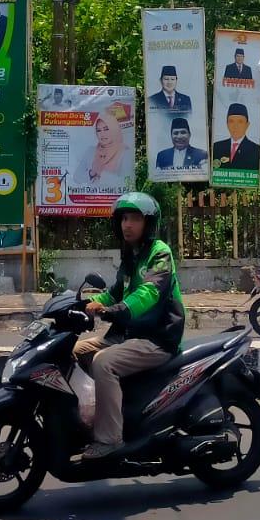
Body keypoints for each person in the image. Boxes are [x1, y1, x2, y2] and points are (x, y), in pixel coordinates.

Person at [74, 192, 186, 460]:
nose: (127, 224)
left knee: (103, 362)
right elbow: (114, 293)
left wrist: (115, 311)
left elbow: (149, 292)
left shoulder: (160, 253)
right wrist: (82, 303)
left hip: (157, 338)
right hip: (129, 335)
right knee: (73, 350)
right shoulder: (130, 256)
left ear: (148, 223)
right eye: (124, 218)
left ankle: (110, 438)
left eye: (135, 218)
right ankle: (88, 415)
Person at [85, 101, 131, 190]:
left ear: (114, 130)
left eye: (106, 129)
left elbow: (126, 183)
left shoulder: (125, 153)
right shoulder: (91, 151)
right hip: (89, 198)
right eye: (99, 130)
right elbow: (76, 178)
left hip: (115, 200)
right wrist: (92, 172)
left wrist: (101, 173)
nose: (102, 134)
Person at [211, 102, 260, 170]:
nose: (235, 126)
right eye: (231, 121)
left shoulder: (256, 149)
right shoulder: (217, 147)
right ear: (227, 124)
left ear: (247, 125)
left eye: (240, 122)